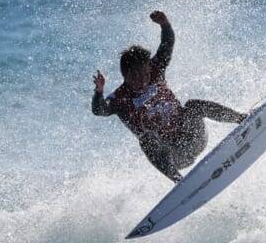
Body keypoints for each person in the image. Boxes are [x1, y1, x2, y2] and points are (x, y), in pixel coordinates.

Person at [91, 10, 247, 183]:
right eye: (136, 77)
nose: (143, 81)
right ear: (125, 75)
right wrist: (99, 92)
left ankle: (242, 119)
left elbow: (167, 44)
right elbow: (99, 110)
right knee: (147, 139)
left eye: (145, 74)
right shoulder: (120, 99)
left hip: (193, 136)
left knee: (192, 105)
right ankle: (179, 182)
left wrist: (165, 24)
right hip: (174, 155)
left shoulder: (156, 70)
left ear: (149, 68)